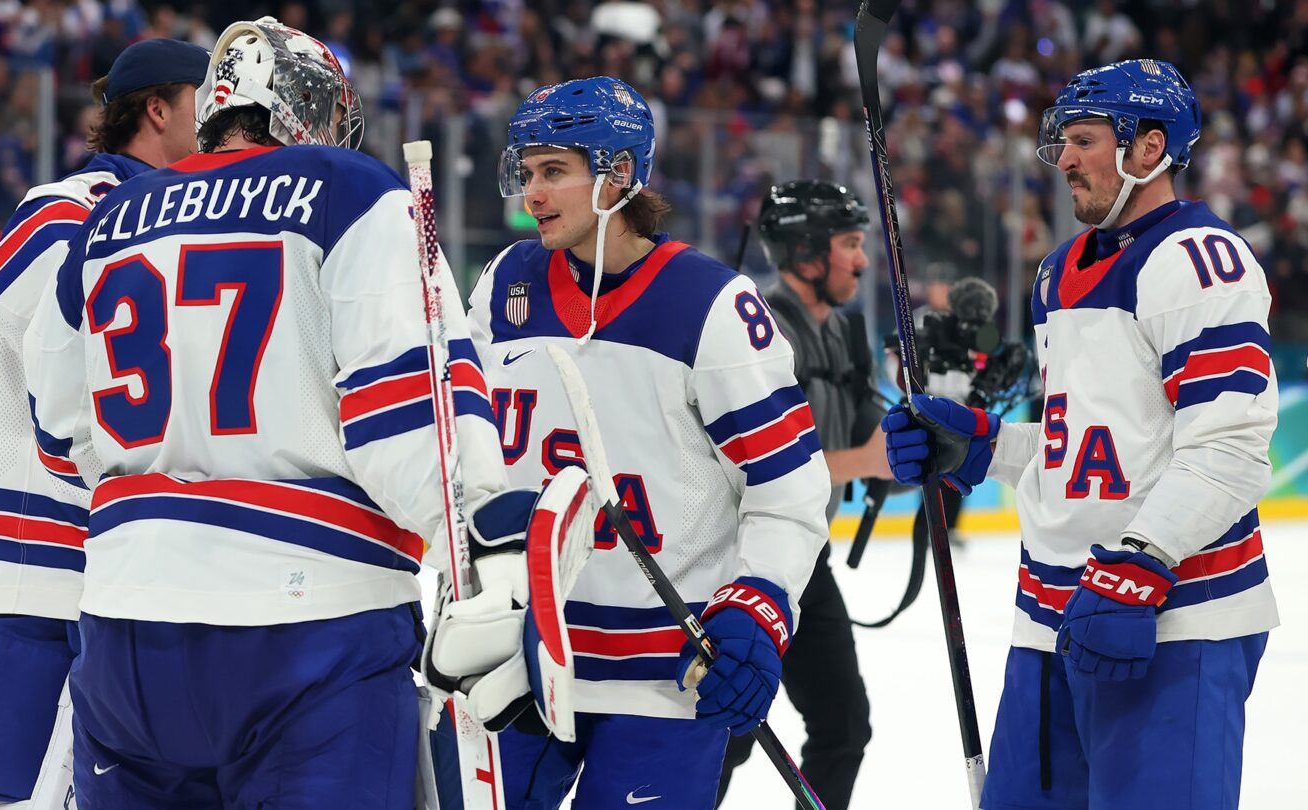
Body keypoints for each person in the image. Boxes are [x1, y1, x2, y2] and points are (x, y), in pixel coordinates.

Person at [21, 18, 583, 809]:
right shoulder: (351, 190)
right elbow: (408, 424)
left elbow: (60, 429)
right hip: (310, 636)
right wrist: (483, 545)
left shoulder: (108, 221)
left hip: (124, 636)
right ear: (309, 108)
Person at [883, 59, 1278, 809]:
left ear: (1148, 149)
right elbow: (1087, 448)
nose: (1062, 158)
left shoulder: (1201, 261)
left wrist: (1141, 560)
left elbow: (1228, 447)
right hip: (1050, 617)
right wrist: (986, 447)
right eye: (1062, 140)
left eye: (1085, 139)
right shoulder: (1057, 271)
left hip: (1174, 619)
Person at [465, 76, 832, 809]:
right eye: (528, 173)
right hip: (525, 661)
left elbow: (789, 485)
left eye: (554, 172)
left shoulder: (713, 306)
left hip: (663, 675)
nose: (532, 194)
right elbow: (469, 445)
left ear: (620, 173)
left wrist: (758, 605)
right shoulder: (507, 282)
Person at [0, 38, 208, 810]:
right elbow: (67, 359)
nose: (224, 116)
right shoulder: (65, 205)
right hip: (31, 554)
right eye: (205, 99)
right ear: (156, 110)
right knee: (15, 790)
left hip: (121, 556)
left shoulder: (203, 218)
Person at [715, 181, 887, 809]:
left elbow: (873, 441)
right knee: (724, 735)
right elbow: (754, 466)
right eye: (849, 244)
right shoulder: (761, 331)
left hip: (807, 564)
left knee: (843, 727)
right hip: (740, 563)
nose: (862, 260)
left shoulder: (843, 332)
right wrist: (868, 459)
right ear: (808, 254)